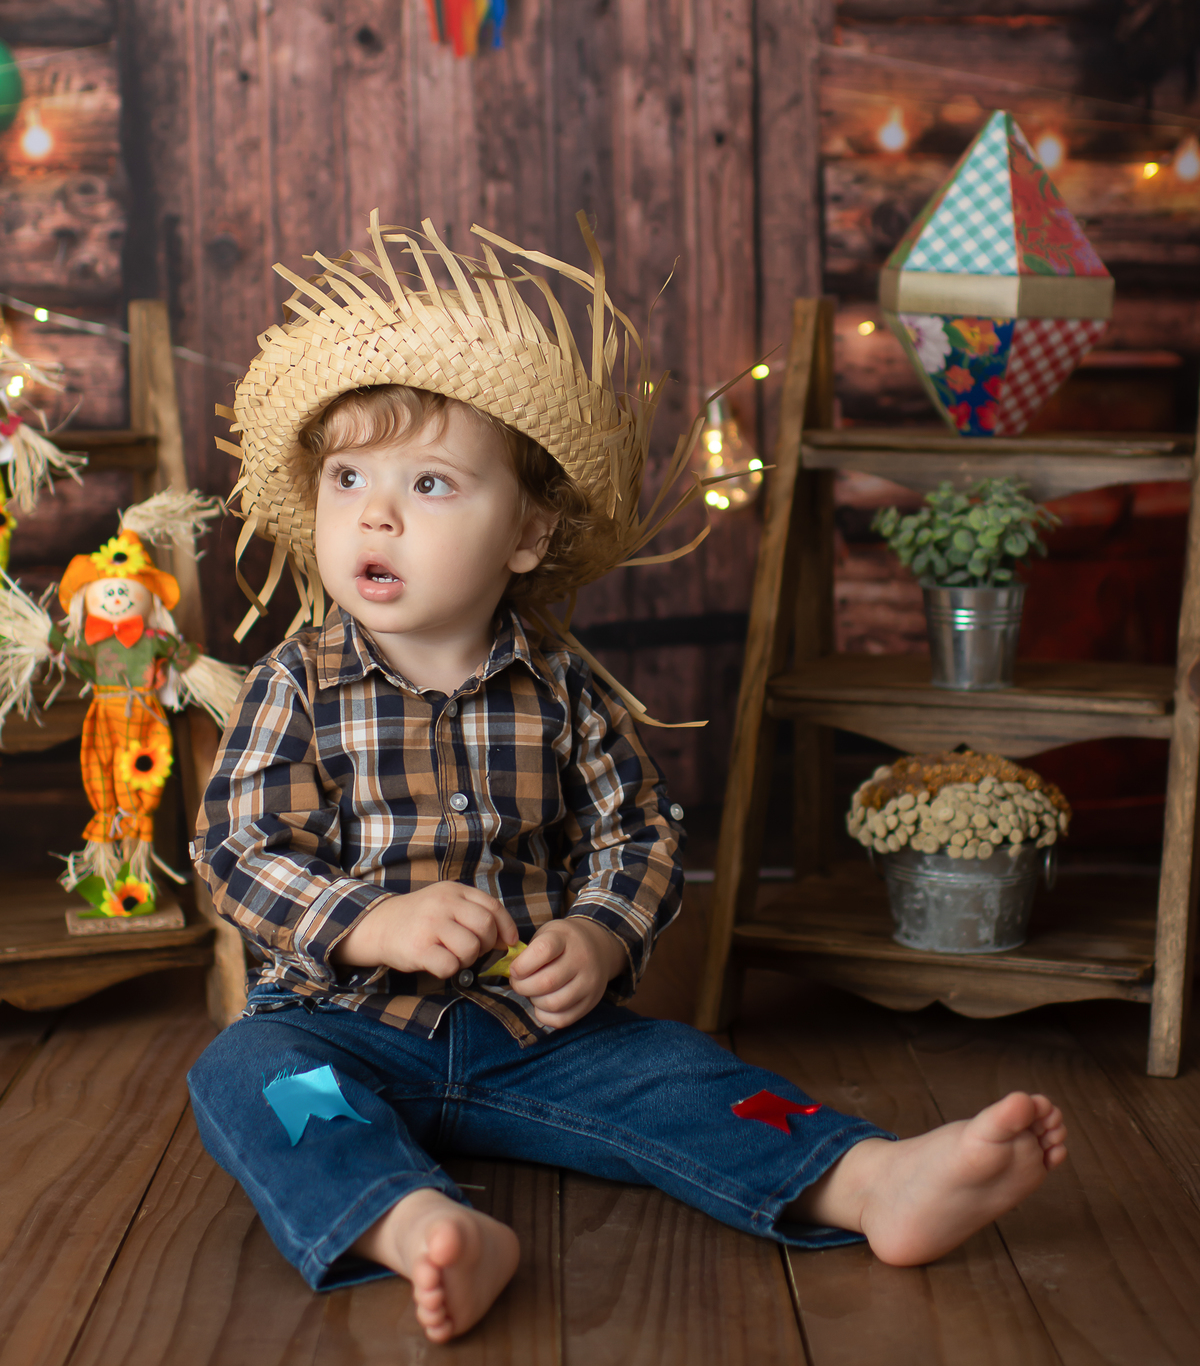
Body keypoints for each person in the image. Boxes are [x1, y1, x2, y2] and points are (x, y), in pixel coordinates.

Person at [188, 215, 1067, 1344]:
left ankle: (870, 1181)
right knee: (249, 1074)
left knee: (681, 1073)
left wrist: (600, 938)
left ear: (526, 533)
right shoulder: (297, 684)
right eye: (348, 476)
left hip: (538, 1036)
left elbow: (639, 834)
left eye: (432, 483)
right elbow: (239, 848)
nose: (377, 512)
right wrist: (369, 922)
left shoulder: (561, 691)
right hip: (343, 1024)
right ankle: (412, 1222)